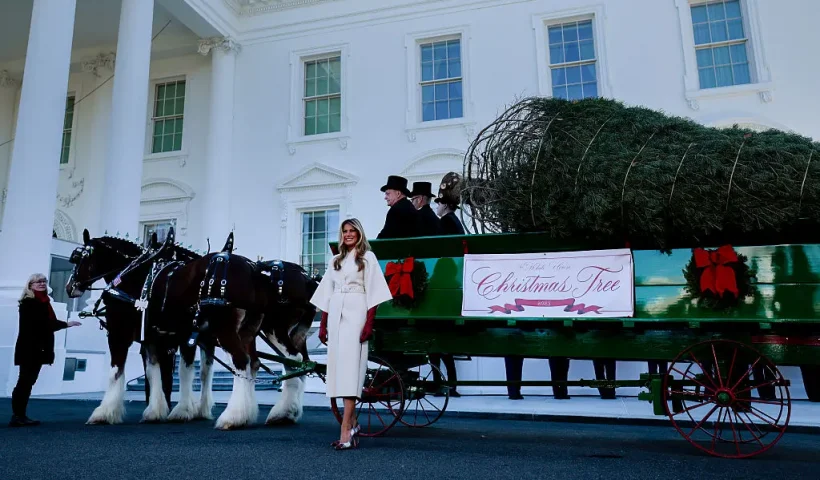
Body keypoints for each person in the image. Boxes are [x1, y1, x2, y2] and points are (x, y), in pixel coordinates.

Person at [310, 218, 393, 450]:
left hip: (356, 312)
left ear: (359, 233)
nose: (348, 234)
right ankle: (353, 421)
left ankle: (345, 428)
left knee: (350, 370)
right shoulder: (335, 260)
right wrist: (323, 324)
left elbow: (374, 292)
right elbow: (326, 293)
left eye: (352, 230)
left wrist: (369, 323)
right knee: (337, 371)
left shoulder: (367, 258)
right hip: (336, 313)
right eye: (344, 231)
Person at [10, 273, 81, 427]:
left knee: (28, 382)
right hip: (31, 349)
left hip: (36, 349)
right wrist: (66, 324)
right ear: (30, 285)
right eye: (38, 282)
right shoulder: (30, 302)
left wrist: (63, 324)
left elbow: (47, 323)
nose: (42, 284)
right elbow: (43, 324)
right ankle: (18, 416)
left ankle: (19, 415)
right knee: (25, 382)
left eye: (44, 281)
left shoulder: (43, 301)